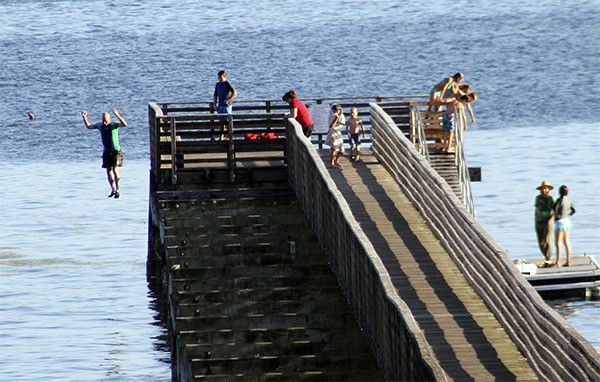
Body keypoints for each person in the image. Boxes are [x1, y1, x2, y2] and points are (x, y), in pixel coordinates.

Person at [82, 109, 128, 198]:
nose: (105, 122)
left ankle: (118, 189)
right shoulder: (100, 126)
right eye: (103, 120)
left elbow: (125, 124)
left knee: (115, 170)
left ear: (109, 119)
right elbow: (89, 126)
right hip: (106, 151)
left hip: (116, 151)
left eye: (106, 120)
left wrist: (118, 115)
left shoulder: (114, 125)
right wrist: (84, 117)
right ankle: (113, 189)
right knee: (108, 171)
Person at [553, 185, 576, 267]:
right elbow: (574, 210)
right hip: (567, 221)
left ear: (559, 192)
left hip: (560, 222)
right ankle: (568, 261)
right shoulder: (568, 200)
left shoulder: (560, 199)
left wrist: (557, 214)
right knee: (567, 242)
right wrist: (568, 215)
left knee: (558, 243)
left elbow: (554, 208)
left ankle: (558, 262)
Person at [534, 180, 555, 262]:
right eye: (542, 189)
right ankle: (546, 257)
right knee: (540, 242)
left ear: (548, 189)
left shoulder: (551, 199)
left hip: (547, 221)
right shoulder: (538, 198)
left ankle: (548, 258)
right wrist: (536, 220)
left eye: (545, 188)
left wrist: (551, 220)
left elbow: (555, 210)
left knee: (547, 240)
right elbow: (537, 209)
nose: (544, 190)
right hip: (538, 221)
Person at [213, 70, 237, 140]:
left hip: (227, 106)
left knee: (228, 122)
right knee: (221, 122)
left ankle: (229, 137)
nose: (220, 79)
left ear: (225, 77)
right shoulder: (217, 84)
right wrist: (215, 104)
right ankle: (221, 137)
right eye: (219, 78)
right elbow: (215, 95)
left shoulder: (227, 84)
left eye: (221, 78)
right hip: (220, 105)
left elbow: (235, 93)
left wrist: (228, 100)